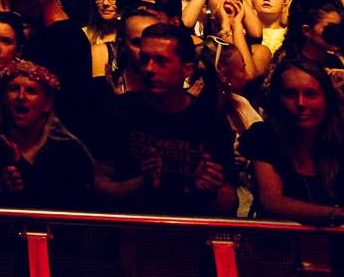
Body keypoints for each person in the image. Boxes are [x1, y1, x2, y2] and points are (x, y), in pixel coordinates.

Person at [92, 23, 237, 216]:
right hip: (130, 225)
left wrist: (206, 190)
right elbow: (98, 186)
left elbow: (229, 200)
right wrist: (139, 184)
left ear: (187, 69)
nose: (149, 69)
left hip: (186, 227)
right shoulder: (118, 110)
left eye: (161, 61)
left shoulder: (210, 121)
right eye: (145, 59)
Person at [239, 61, 344, 223]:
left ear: (326, 99)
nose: (301, 103)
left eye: (310, 94)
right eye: (290, 94)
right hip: (281, 237)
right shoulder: (265, 135)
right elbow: (272, 202)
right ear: (278, 99)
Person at [0, 59, 95, 209]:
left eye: (31, 91)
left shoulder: (69, 153)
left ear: (47, 104)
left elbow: (76, 207)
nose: (21, 97)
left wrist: (23, 170)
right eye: (14, 89)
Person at [0, 0, 94, 137]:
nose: (16, 11)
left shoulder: (55, 40)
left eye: (17, 4)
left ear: (35, 1)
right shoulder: (70, 33)